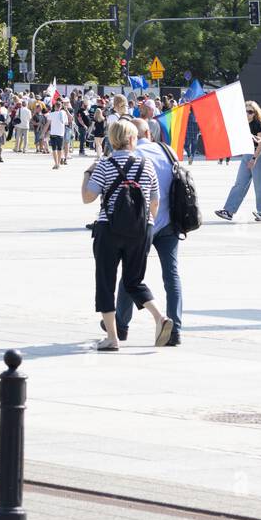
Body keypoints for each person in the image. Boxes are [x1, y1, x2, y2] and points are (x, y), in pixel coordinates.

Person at [82, 118, 173, 352]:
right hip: (141, 230)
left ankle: (112, 338)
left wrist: (87, 173)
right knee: (134, 281)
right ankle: (160, 317)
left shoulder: (104, 165)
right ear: (133, 139)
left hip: (108, 229)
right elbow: (154, 201)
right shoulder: (147, 165)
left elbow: (88, 197)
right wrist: (146, 223)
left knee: (106, 283)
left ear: (112, 140)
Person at [115, 120, 183, 345]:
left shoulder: (134, 156)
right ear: (149, 132)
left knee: (131, 274)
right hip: (171, 222)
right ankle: (175, 330)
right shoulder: (168, 150)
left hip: (144, 223)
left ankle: (121, 326)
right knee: (171, 276)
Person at [215, 101, 261, 220]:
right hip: (247, 154)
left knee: (260, 186)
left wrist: (254, 158)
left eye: (250, 111)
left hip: (258, 155)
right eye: (245, 111)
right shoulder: (242, 124)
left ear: (255, 113)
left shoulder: (258, 123)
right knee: (239, 184)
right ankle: (229, 211)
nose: (247, 113)